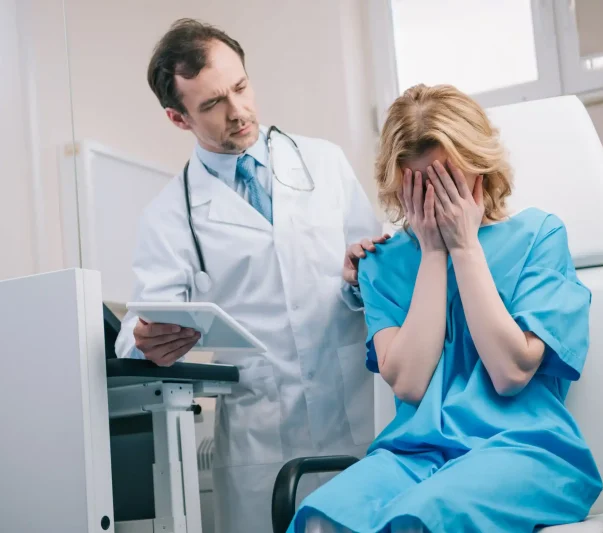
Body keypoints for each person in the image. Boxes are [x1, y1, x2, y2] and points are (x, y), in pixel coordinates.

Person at [287, 84, 602, 532]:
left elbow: (510, 374)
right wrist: (433, 253)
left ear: (481, 168)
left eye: (449, 182)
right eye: (421, 186)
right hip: (413, 453)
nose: (437, 200)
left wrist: (465, 246)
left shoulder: (539, 237)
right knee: (319, 520)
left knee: (419, 519)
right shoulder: (382, 264)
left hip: (523, 450)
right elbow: (411, 383)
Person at [114, 18, 385, 533]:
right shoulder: (170, 213)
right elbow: (138, 328)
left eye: (240, 87)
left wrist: (359, 278)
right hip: (265, 440)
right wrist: (147, 340)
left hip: (360, 418)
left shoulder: (323, 163)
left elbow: (376, 280)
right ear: (178, 118)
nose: (238, 112)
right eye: (212, 104)